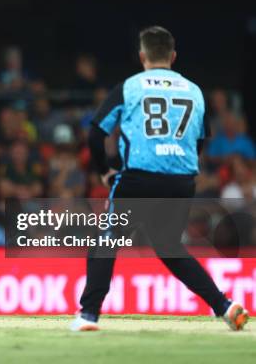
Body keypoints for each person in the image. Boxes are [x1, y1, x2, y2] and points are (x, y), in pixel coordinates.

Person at [72, 26, 248, 331]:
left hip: (139, 176)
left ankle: (88, 315)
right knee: (170, 248)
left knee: (106, 240)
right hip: (181, 180)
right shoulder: (194, 90)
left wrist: (103, 170)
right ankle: (224, 305)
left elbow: (96, 131)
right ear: (173, 56)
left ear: (142, 56)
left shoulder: (130, 87)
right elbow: (201, 139)